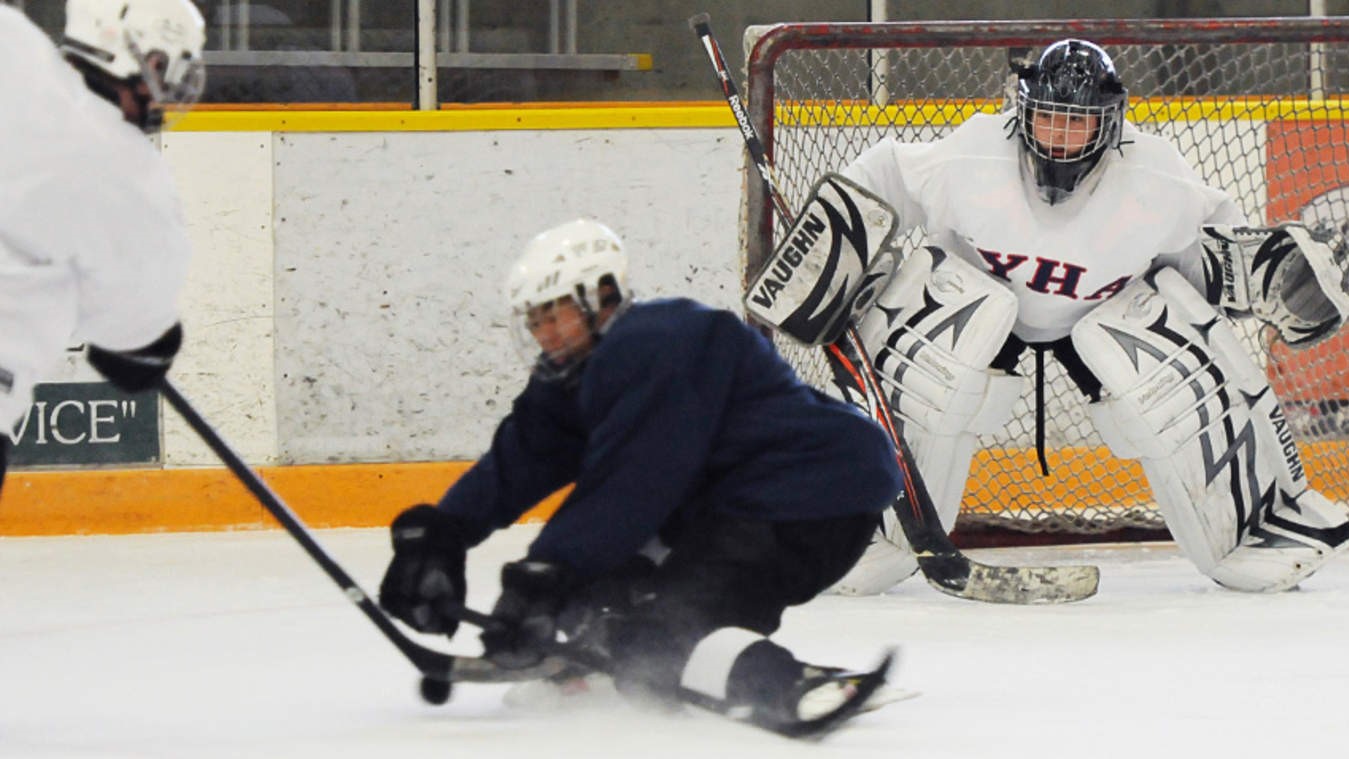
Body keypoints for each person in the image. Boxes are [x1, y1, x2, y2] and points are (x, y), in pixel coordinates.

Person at [825, 38, 1349, 595]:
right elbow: (886, 175)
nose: (1062, 137)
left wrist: (1267, 275)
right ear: (1022, 112)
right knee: (925, 364)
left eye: (1079, 123)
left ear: (1112, 122)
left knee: (1177, 375)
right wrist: (832, 238)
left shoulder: (1158, 178)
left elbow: (1212, 255)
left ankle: (1254, 528)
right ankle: (860, 525)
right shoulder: (973, 153)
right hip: (972, 299)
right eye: (1049, 118)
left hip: (1106, 313)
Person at [377, 218, 903, 727]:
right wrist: (444, 533)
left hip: (810, 497)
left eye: (553, 313)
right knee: (603, 592)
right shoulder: (578, 370)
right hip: (734, 504)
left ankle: (792, 684)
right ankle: (591, 669)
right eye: (534, 320)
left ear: (601, 295)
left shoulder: (660, 342)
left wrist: (546, 573)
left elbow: (633, 484)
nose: (543, 332)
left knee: (665, 630)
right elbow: (526, 454)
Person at [0, 0, 206, 491]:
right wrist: (152, 349)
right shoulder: (128, 172)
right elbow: (133, 333)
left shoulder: (12, 43)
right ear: (129, 52)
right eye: (163, 65)